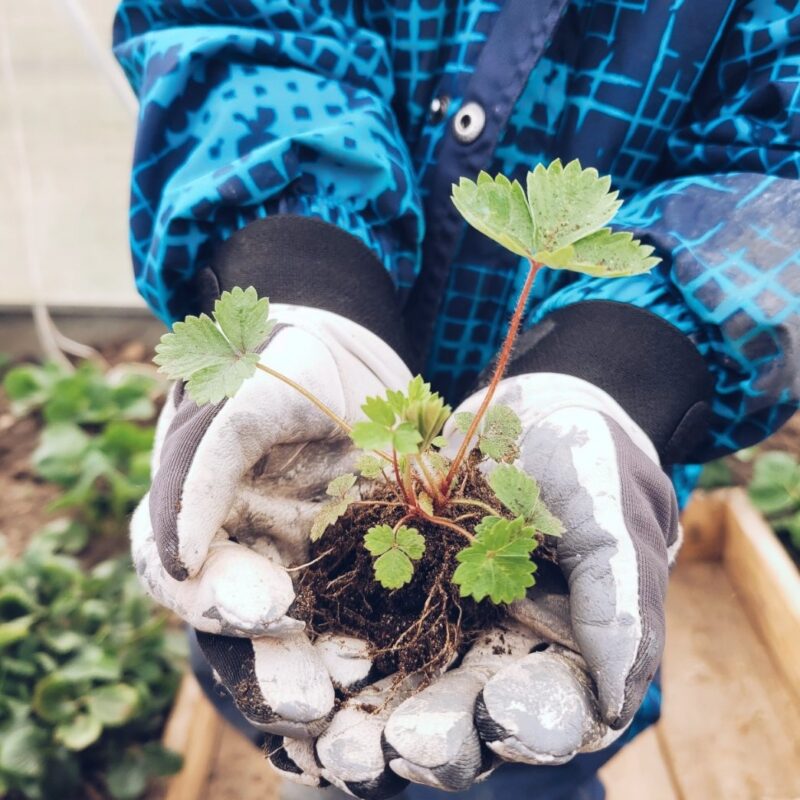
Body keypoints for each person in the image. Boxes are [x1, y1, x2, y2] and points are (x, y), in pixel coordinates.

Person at [114, 2, 800, 798]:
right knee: (297, 714)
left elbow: (780, 164)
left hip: (588, 505)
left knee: (531, 761)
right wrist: (300, 276)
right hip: (310, 490)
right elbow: (235, 28)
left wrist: (620, 374)